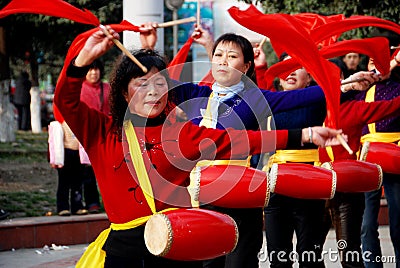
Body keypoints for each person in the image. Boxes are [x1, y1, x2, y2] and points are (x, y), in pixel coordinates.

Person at [54, 26, 342, 268]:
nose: (153, 91)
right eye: (142, 84)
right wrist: (80, 62)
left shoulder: (182, 134)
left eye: (159, 84)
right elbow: (65, 101)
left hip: (178, 244)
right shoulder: (101, 131)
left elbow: (241, 140)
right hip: (123, 251)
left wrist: (303, 135)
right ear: (123, 92)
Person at [139, 23, 378, 268]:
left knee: (240, 263)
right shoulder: (194, 93)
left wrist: (347, 85)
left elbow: (305, 96)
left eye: (232, 57)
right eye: (218, 55)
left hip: (241, 193)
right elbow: (158, 81)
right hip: (201, 195)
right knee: (208, 263)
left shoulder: (254, 98)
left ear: (245, 67)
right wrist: (148, 48)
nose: (222, 61)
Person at [318, 57, 400, 268]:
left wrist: (390, 65)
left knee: (350, 254)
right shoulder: (312, 108)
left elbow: (392, 106)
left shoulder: (355, 107)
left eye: (336, 77)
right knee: (310, 249)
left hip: (352, 183)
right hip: (319, 186)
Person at [263, 52, 327, 268]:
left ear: (308, 76)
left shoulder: (317, 99)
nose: (290, 71)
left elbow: (338, 89)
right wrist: (261, 66)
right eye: (284, 66)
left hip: (309, 183)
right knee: (278, 257)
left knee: (310, 257)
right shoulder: (270, 101)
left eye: (297, 66)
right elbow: (248, 89)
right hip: (276, 186)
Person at [359, 52, 400, 268]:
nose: (375, 67)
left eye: (382, 62)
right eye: (371, 62)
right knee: (366, 223)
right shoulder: (360, 91)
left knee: (398, 221)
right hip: (367, 159)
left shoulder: (398, 88)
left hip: (395, 156)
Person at [79, 59, 110, 213]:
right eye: (90, 70)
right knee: (88, 172)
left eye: (96, 69)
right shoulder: (79, 89)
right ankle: (92, 203)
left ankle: (110, 202)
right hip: (86, 136)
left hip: (106, 135)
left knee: (109, 172)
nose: (93, 73)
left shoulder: (108, 88)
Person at [48, 119, 89, 217]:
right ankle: (63, 207)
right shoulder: (58, 124)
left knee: (78, 182)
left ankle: (77, 206)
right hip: (65, 154)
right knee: (63, 183)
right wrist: (53, 159)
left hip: (78, 154)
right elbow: (53, 143)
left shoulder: (79, 122)